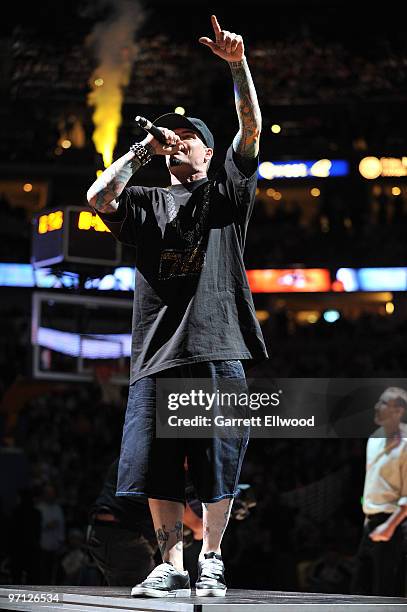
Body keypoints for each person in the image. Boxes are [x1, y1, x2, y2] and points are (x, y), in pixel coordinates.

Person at [86, 14, 267, 598]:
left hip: (215, 343)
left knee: (216, 463)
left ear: (208, 153)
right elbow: (97, 196)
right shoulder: (144, 199)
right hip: (157, 354)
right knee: (156, 469)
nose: (176, 142)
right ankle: (172, 563)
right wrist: (142, 149)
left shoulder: (226, 190)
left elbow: (251, 128)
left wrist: (237, 65)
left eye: (186, 137)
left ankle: (210, 558)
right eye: (170, 138)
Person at [351, 387, 407, 596]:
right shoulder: (374, 438)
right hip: (370, 523)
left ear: (398, 411)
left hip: (395, 525)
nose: (376, 407)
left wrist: (389, 527)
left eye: (383, 403)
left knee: (386, 592)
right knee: (359, 590)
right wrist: (368, 520)